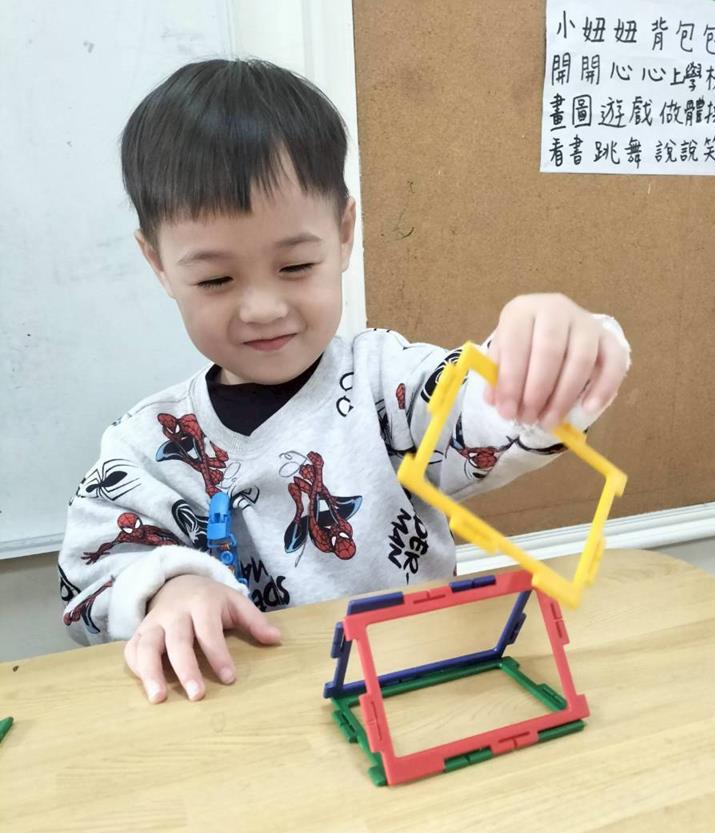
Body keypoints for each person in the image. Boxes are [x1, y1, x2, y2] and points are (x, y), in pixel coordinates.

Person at [59, 58, 631, 704]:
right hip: (251, 712)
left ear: (344, 234)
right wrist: (169, 586)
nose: (263, 308)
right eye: (216, 279)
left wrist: (554, 355)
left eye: (296, 266)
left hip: (420, 687)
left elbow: (477, 410)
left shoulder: (384, 382)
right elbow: (89, 572)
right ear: (158, 264)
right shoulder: (147, 445)